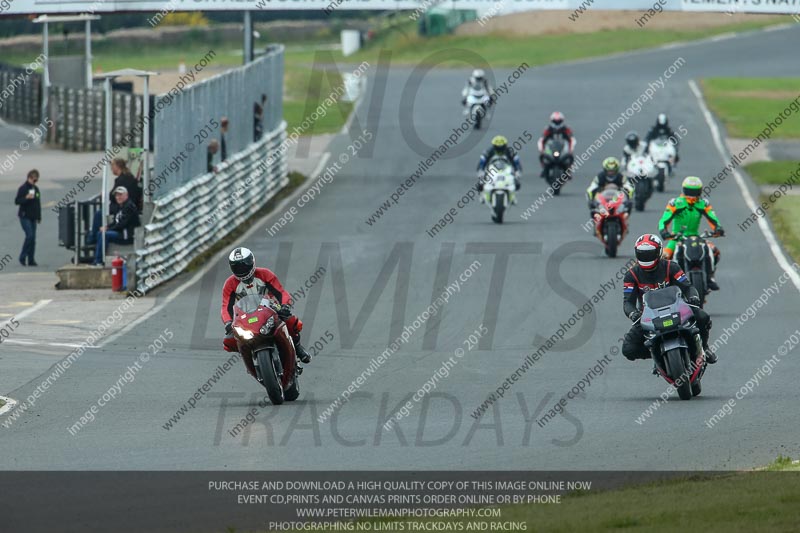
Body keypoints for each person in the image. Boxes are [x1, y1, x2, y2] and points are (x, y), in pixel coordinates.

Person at [622, 234, 717, 366]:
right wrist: (633, 314)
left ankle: (704, 348)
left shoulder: (671, 267)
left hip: (677, 309)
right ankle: (657, 353)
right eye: (642, 254)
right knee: (628, 349)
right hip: (648, 316)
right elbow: (628, 302)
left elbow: (687, 287)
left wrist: (693, 297)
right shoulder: (631, 275)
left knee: (703, 317)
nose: (646, 258)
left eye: (649, 254)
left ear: (659, 251)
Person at [220, 247, 312, 378]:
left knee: (291, 321)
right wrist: (228, 322)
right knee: (229, 340)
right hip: (246, 316)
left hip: (270, 308)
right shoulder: (230, 284)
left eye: (244, 265)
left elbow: (281, 292)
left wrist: (285, 305)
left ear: (252, 262)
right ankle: (249, 358)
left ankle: (297, 347)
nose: (242, 269)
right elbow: (225, 306)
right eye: (237, 267)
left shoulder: (264, 274)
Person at [658, 176, 725, 291]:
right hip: (676, 238)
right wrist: (663, 231)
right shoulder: (675, 203)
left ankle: (710, 277)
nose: (692, 194)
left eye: (694, 191)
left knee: (714, 251)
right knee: (664, 258)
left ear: (700, 191)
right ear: (684, 190)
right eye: (689, 191)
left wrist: (718, 228)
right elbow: (665, 219)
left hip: (696, 237)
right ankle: (665, 284)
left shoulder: (703, 203)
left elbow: (712, 218)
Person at [91, 187, 140, 266]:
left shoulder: (129, 207)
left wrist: (108, 229)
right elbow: (116, 222)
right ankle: (97, 259)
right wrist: (106, 227)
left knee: (104, 235)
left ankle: (99, 261)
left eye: (120, 195)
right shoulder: (121, 206)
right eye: (116, 195)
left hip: (127, 236)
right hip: (120, 233)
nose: (118, 197)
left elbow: (122, 224)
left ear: (126, 195)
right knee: (100, 233)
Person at [537, 111, 576, 178]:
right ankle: (544, 169)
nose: (557, 123)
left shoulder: (566, 129)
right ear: (552, 121)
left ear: (562, 121)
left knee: (570, 156)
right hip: (551, 147)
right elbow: (541, 140)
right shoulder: (548, 129)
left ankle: (568, 171)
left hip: (563, 147)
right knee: (542, 156)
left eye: (559, 121)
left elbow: (572, 139)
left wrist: (571, 149)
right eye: (555, 121)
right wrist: (541, 149)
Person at [15, 169, 41, 267]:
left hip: (33, 217)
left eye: (36, 181)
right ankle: (22, 256)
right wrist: (26, 198)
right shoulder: (23, 188)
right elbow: (17, 201)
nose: (35, 182)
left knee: (33, 239)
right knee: (29, 235)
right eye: (34, 180)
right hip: (24, 216)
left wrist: (39, 217)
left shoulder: (36, 189)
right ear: (29, 178)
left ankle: (31, 259)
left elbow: (38, 203)